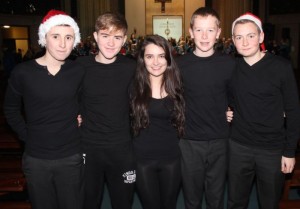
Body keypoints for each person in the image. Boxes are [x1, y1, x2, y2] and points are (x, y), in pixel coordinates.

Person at [3, 9, 84, 209]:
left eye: (68, 37)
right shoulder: (23, 72)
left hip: (70, 156)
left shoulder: (78, 70)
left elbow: (88, 99)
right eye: (55, 36)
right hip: (36, 158)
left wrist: (82, 116)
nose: (62, 43)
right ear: (44, 38)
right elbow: (10, 108)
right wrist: (27, 135)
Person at [228, 12, 300, 209]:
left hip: (272, 149)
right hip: (238, 147)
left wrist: (289, 151)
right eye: (238, 37)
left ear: (261, 37)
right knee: (235, 202)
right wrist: (225, 110)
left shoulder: (281, 67)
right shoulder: (231, 67)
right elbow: (226, 98)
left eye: (250, 36)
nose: (244, 42)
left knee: (269, 203)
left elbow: (293, 111)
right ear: (233, 40)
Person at [176, 7, 235, 209]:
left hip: (220, 139)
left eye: (210, 30)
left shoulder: (229, 64)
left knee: (216, 197)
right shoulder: (178, 65)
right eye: (199, 30)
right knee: (192, 198)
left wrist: (232, 110)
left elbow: (238, 94)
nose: (204, 36)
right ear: (191, 32)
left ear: (218, 33)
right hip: (189, 141)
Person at [76, 12, 136, 209]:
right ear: (95, 37)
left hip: (122, 149)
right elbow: (63, 97)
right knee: (88, 202)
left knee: (123, 203)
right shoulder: (80, 67)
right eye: (105, 36)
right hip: (89, 148)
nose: (111, 43)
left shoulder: (132, 68)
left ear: (124, 40)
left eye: (117, 37)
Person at [130, 35, 185, 209]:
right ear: (142, 59)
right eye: (149, 56)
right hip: (142, 160)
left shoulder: (178, 86)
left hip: (172, 159)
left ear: (168, 58)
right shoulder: (132, 87)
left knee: (169, 205)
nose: (156, 62)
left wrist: (227, 110)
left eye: (161, 56)